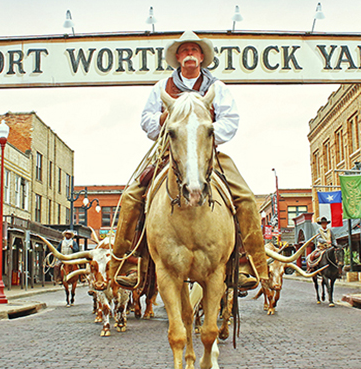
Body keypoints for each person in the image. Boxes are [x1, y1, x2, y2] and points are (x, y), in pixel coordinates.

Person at [109, 30, 269, 291]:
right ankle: (127, 263)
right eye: (184, 51)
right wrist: (166, 121)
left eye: (194, 50)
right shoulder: (161, 88)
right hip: (169, 151)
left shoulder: (218, 88)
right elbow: (147, 121)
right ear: (178, 58)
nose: (190, 55)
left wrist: (202, 133)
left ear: (202, 57)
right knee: (131, 196)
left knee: (246, 198)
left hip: (208, 152)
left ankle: (247, 264)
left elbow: (231, 120)